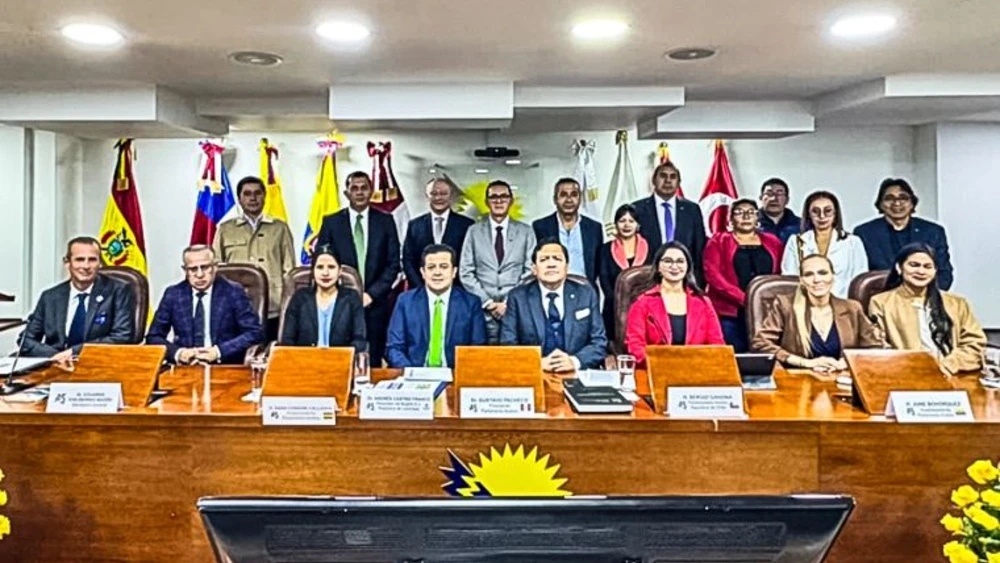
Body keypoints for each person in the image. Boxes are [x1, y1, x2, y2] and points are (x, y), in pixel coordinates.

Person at [315, 171, 401, 366]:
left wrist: (371, 294)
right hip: (340, 302)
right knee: (342, 359)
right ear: (347, 193)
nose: (360, 192)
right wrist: (344, 294)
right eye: (354, 188)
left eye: (364, 188)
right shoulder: (332, 222)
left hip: (375, 304)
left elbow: (393, 264)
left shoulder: (385, 221)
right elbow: (322, 261)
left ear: (371, 192)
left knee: (373, 360)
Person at [869, 243, 985, 375]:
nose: (921, 271)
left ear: (935, 271)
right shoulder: (881, 302)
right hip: (905, 374)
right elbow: (879, 346)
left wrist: (948, 365)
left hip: (953, 373)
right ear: (899, 268)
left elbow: (974, 343)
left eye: (928, 267)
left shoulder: (957, 303)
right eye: (914, 265)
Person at [752, 254, 881, 371]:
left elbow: (875, 347)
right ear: (802, 281)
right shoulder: (785, 305)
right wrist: (805, 363)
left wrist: (848, 362)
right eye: (809, 274)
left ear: (833, 277)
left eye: (823, 273)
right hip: (799, 380)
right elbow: (761, 344)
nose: (817, 279)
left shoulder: (852, 308)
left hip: (842, 378)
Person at [19, 236, 135, 361]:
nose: (86, 266)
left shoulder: (118, 291)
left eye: (92, 260)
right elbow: (26, 340)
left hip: (98, 362)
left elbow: (122, 337)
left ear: (100, 263)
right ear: (67, 263)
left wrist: (74, 352)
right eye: (80, 260)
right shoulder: (50, 297)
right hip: (55, 364)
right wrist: (55, 356)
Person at [500, 239, 607, 372]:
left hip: (576, 373)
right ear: (534, 269)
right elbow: (508, 344)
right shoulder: (517, 297)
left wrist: (574, 361)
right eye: (544, 259)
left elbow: (599, 342)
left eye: (557, 259)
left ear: (566, 267)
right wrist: (537, 362)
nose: (551, 264)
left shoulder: (586, 294)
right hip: (535, 373)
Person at [146, 245, 263, 365]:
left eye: (205, 267)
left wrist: (218, 352)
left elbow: (254, 333)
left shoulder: (233, 292)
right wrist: (179, 353)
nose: (200, 274)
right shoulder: (173, 294)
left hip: (223, 365)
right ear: (185, 270)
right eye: (193, 269)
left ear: (215, 267)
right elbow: (153, 337)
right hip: (186, 366)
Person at [212, 176, 296, 341]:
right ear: (239, 199)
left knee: (270, 349)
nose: (253, 198)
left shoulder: (279, 228)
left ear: (264, 196)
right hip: (236, 305)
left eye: (257, 193)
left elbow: (289, 269)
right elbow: (217, 268)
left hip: (273, 305)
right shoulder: (225, 230)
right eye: (247, 194)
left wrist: (287, 302)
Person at [459, 180, 536, 343]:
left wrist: (508, 302)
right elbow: (465, 272)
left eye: (504, 197)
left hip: (516, 310)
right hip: (482, 311)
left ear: (511, 201)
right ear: (487, 202)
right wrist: (488, 303)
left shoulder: (526, 231)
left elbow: (530, 271)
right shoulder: (473, 232)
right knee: (483, 356)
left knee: (514, 355)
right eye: (493, 197)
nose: (499, 201)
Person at [625, 242, 724, 366]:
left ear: (688, 267)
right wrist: (663, 364)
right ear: (658, 267)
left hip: (696, 369)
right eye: (668, 261)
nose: (674, 266)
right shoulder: (642, 303)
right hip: (656, 369)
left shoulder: (703, 303)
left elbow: (717, 344)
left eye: (680, 261)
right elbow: (635, 345)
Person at [703, 199, 784, 352]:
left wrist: (766, 300)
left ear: (757, 217)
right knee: (732, 355)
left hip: (766, 311)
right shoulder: (718, 241)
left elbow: (781, 273)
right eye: (739, 212)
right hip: (729, 312)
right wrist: (746, 299)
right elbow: (713, 276)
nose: (746, 216)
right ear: (731, 219)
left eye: (751, 212)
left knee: (765, 354)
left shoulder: (773, 241)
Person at [387, 244, 487, 367]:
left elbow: (477, 349)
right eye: (431, 267)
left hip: (455, 373)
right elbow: (394, 348)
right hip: (414, 373)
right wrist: (411, 372)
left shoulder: (471, 303)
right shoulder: (405, 301)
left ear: (454, 272)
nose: (437, 272)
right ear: (423, 272)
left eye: (444, 267)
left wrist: (459, 373)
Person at [854, 178, 954, 290]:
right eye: (889, 198)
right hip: (880, 295)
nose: (897, 203)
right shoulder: (865, 232)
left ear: (912, 203)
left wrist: (924, 295)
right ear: (880, 204)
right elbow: (860, 274)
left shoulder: (933, 231)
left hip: (925, 296)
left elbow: (944, 273)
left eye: (903, 198)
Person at [631, 162, 708, 286]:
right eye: (663, 176)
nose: (668, 180)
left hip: (684, 279)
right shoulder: (637, 209)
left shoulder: (692, 210)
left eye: (673, 177)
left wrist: (698, 282)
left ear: (678, 183)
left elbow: (699, 248)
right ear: (654, 180)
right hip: (647, 278)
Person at [781, 190, 868, 299]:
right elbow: (790, 278)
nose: (822, 216)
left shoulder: (853, 242)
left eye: (827, 211)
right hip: (805, 302)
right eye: (815, 211)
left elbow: (859, 280)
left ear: (835, 213)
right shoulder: (796, 241)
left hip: (843, 302)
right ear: (808, 215)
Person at [279, 246, 366, 352]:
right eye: (320, 267)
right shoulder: (300, 298)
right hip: (304, 360)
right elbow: (287, 340)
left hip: (340, 360)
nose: (325, 273)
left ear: (339, 271)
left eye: (331, 267)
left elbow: (359, 340)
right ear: (313, 271)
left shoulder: (352, 298)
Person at [401, 177, 474, 289]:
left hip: (457, 290)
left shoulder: (466, 225)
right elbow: (408, 260)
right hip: (421, 290)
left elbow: (469, 261)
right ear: (427, 196)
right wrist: (421, 287)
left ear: (451, 195)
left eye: (443, 193)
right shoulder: (415, 225)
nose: (438, 197)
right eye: (433, 193)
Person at [532, 177, 603, 287]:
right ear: (555, 199)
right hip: (551, 288)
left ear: (580, 199)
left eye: (574, 195)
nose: (569, 199)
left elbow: (598, 265)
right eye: (563, 195)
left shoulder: (594, 228)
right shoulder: (540, 227)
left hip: (585, 289)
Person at [597, 204, 651, 340]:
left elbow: (653, 279)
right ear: (616, 224)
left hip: (644, 309)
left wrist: (638, 302)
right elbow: (604, 280)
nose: (626, 225)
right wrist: (620, 302)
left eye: (631, 221)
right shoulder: (605, 249)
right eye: (622, 221)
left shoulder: (651, 247)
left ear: (637, 225)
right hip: (613, 309)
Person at [757, 178, 800, 244]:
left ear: (787, 200)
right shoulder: (750, 224)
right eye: (769, 194)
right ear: (761, 198)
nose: (773, 198)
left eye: (779, 194)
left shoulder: (800, 225)